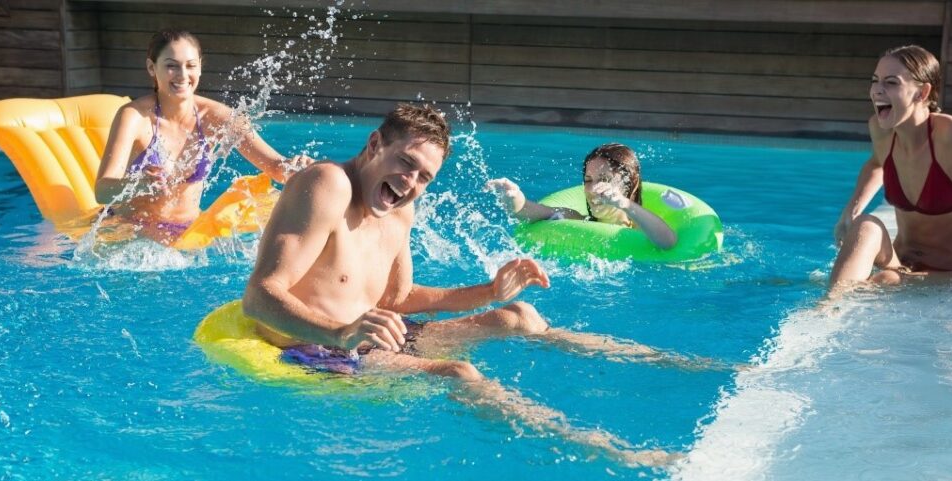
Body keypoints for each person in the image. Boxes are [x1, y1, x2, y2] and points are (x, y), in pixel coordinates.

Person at [242, 104, 699, 466]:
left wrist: (490, 292)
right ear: (375, 142)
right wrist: (341, 333)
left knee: (518, 316)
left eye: (425, 177)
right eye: (406, 163)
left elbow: (398, 298)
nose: (411, 183)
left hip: (374, 338)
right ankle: (615, 455)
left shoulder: (401, 207)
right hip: (314, 347)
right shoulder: (326, 184)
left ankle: (688, 366)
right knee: (457, 373)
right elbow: (260, 296)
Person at [95, 29, 310, 244]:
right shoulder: (134, 116)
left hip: (187, 233)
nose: (182, 75)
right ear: (152, 68)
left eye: (190, 65)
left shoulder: (218, 117)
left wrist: (297, 168)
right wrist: (142, 183)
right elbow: (102, 191)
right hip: (132, 232)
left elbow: (275, 167)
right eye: (171, 65)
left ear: (200, 67)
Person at [830, 45, 952, 287]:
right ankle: (828, 308)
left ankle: (839, 301)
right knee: (865, 225)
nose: (877, 90)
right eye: (875, 81)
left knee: (884, 279)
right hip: (899, 261)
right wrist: (851, 210)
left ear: (922, 92)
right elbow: (877, 163)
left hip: (949, 272)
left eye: (891, 83)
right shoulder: (881, 130)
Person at [487, 143, 677, 249]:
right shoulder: (576, 220)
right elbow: (529, 210)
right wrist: (513, 198)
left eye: (604, 179)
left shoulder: (642, 230)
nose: (593, 189)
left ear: (629, 185)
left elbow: (668, 242)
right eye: (588, 180)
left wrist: (623, 203)